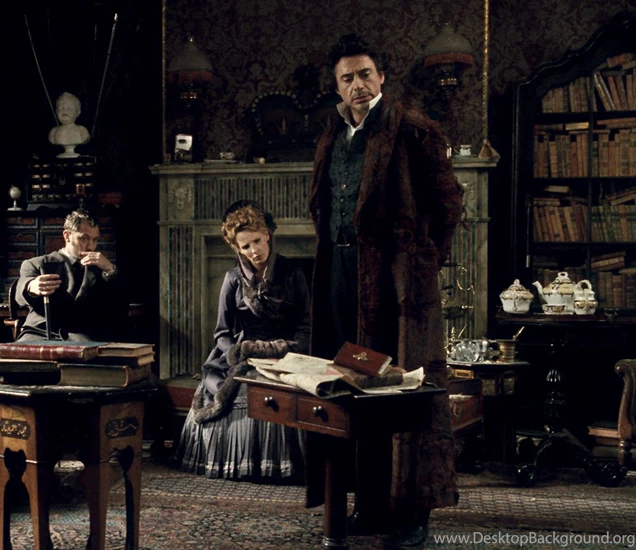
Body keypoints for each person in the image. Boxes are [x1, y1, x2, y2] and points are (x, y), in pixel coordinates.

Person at [308, 34, 464, 549]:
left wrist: (420, 264)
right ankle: (370, 502)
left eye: (365, 74)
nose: (358, 84)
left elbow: (448, 204)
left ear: (381, 77)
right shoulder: (333, 134)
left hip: (398, 288)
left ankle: (413, 513)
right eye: (347, 78)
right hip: (342, 276)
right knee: (357, 385)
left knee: (405, 393)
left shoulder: (414, 128)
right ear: (337, 87)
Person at [172, 201, 311, 481]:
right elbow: (222, 333)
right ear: (237, 249)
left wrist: (288, 350)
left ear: (267, 234)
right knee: (235, 389)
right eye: (245, 246)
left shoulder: (293, 273)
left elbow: (306, 325)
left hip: (286, 353)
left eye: (257, 241)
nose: (254, 250)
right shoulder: (233, 279)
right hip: (244, 355)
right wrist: (237, 354)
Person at [14, 209, 124, 342]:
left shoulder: (102, 270)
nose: (90, 246)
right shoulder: (39, 263)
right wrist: (30, 286)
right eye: (84, 238)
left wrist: (111, 270)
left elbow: (119, 304)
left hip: (84, 334)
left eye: (95, 240)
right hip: (41, 332)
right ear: (67, 236)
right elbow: (20, 290)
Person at [48, 92, 90, 158]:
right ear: (56, 112)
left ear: (78, 112)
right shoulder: (53, 132)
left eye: (69, 108)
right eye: (61, 108)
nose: (64, 110)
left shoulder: (82, 131)